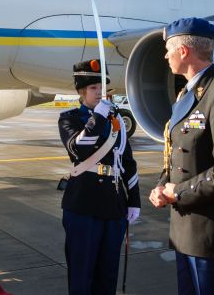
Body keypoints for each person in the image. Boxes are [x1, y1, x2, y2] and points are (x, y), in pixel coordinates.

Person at [149, 17, 214, 295]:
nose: (166, 56)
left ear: (184, 51)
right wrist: (162, 186)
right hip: (185, 231)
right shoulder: (185, 94)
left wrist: (178, 192)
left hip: (213, 235)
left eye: (168, 50)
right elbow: (175, 154)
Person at [57, 59, 141, 295]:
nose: (99, 93)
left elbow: (127, 162)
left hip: (114, 205)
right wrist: (97, 119)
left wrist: (134, 200)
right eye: (93, 88)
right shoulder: (70, 119)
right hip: (83, 205)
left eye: (101, 88)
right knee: (82, 273)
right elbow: (78, 149)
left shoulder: (116, 121)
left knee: (108, 273)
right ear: (82, 92)